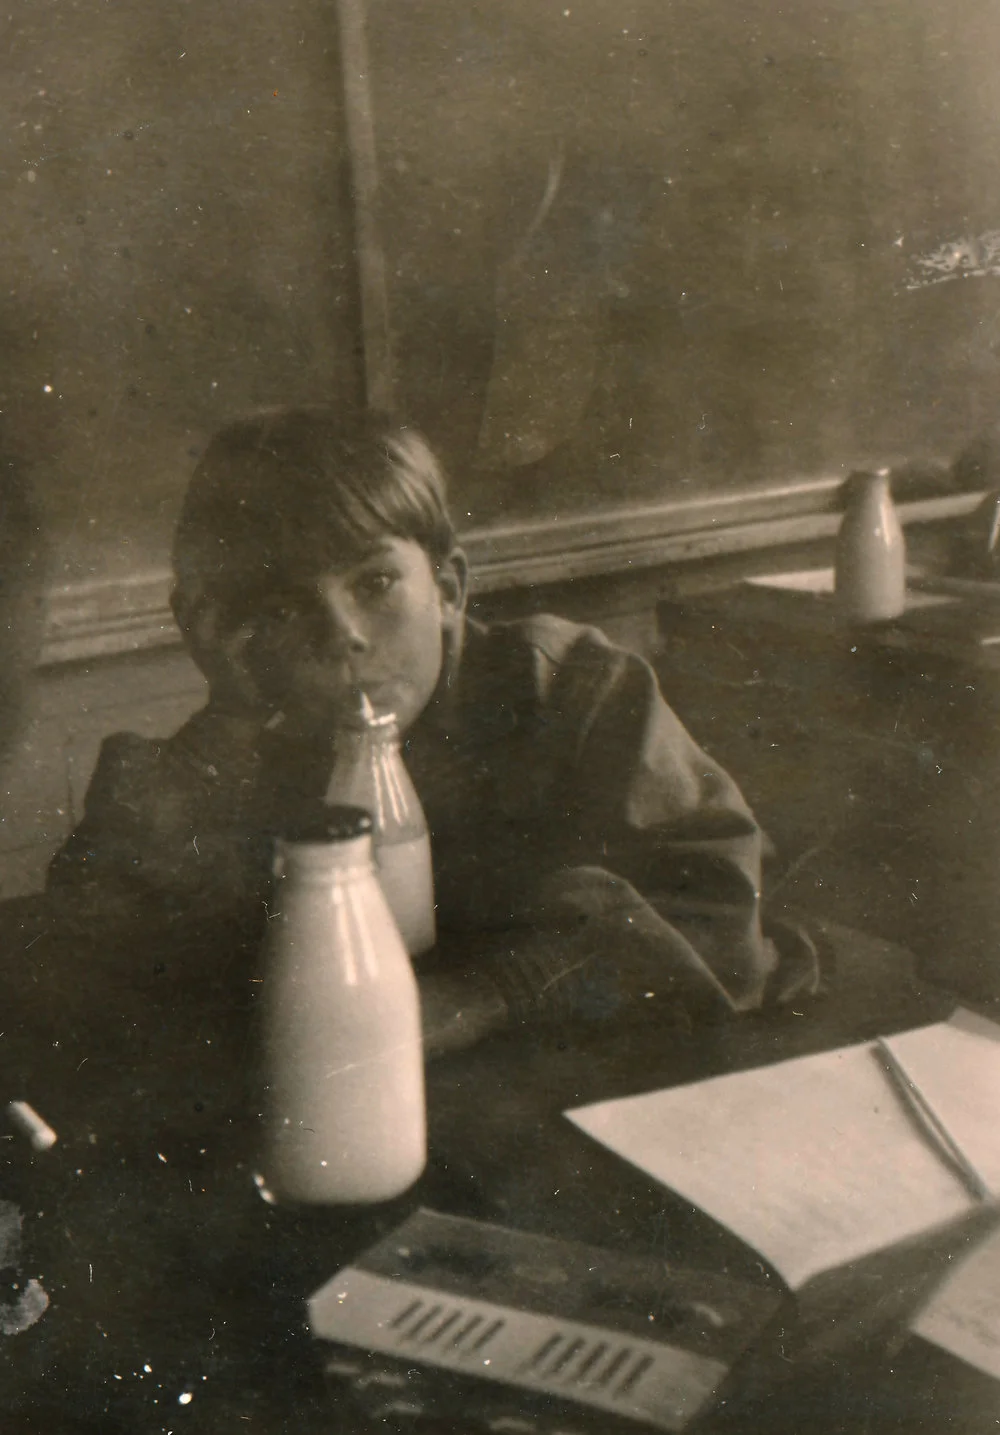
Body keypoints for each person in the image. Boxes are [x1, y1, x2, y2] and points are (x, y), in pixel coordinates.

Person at [48, 407, 819, 1055]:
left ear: (448, 588)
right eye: (282, 609)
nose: (344, 635)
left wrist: (484, 993)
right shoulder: (248, 737)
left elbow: (717, 907)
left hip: (623, 1071)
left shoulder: (569, 684)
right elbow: (87, 947)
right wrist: (227, 720)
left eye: (375, 582)